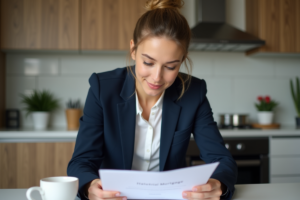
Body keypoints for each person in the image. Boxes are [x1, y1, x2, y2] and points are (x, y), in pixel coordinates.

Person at [67, 0, 237, 200]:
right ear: (133, 50)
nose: (157, 77)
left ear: (182, 60)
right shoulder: (102, 89)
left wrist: (218, 185)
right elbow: (81, 161)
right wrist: (90, 186)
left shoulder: (193, 92)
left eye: (171, 66)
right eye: (148, 62)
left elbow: (222, 160)